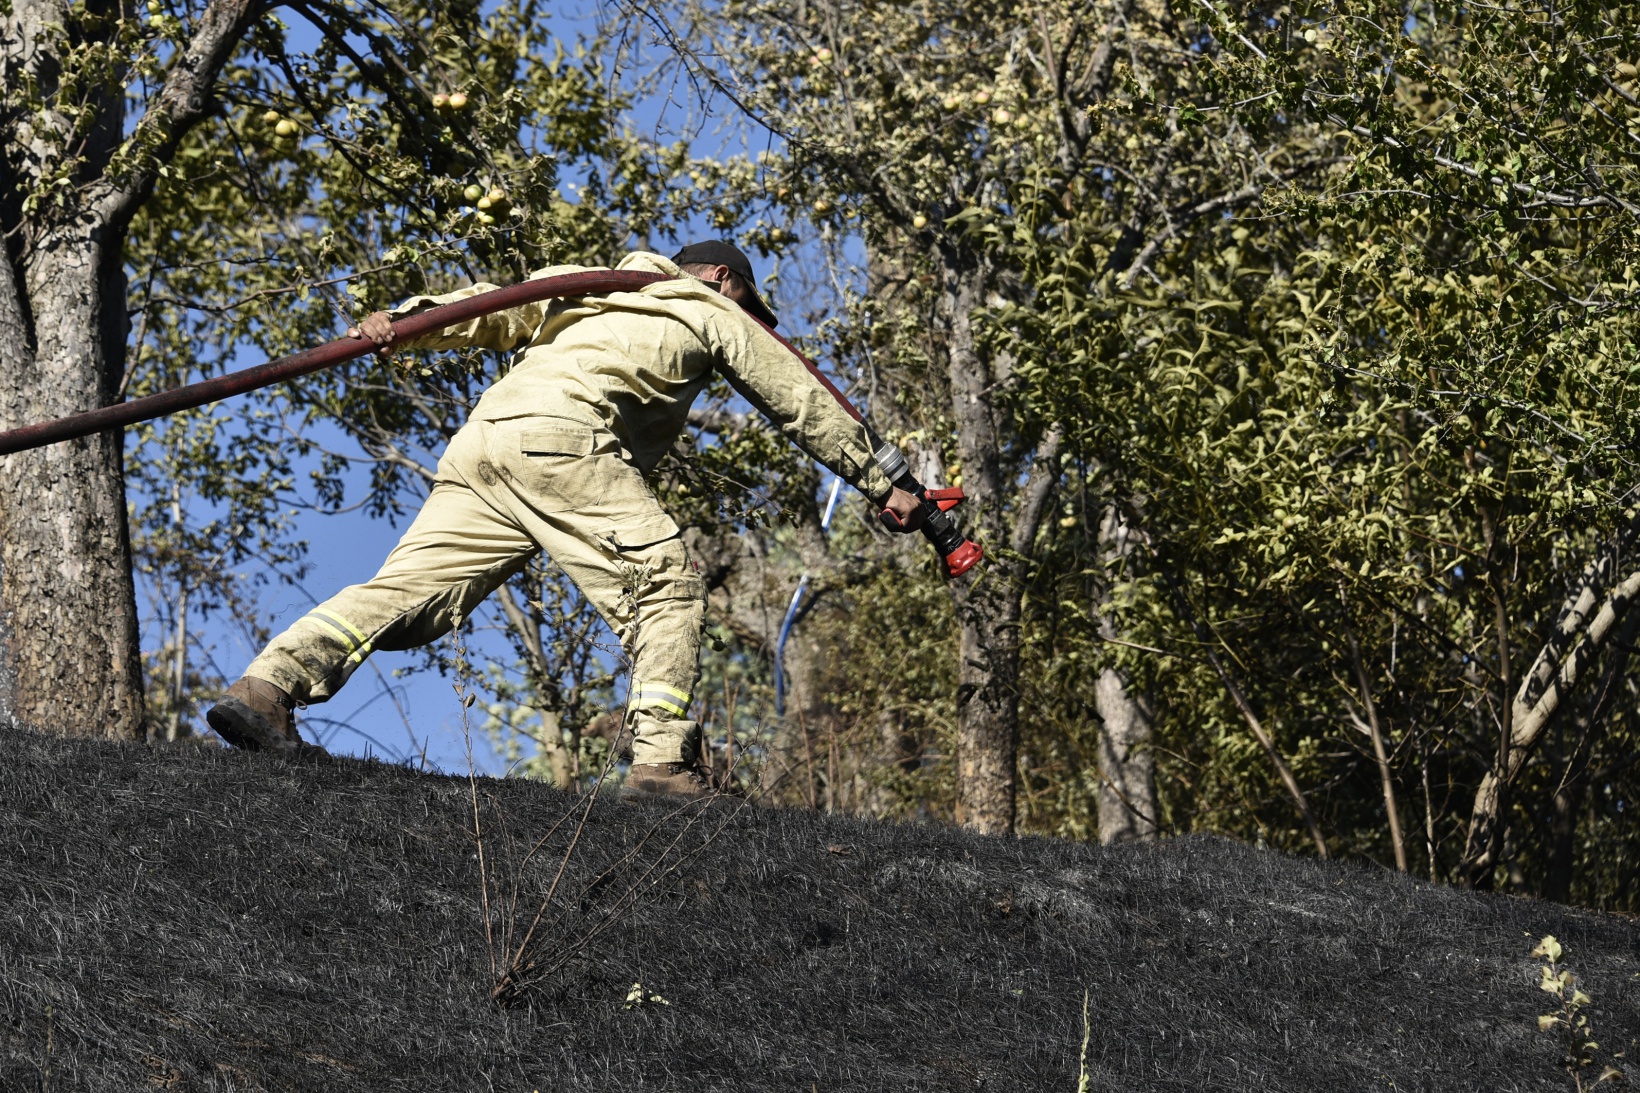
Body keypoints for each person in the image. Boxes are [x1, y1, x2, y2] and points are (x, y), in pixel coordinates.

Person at [206, 241, 919, 798]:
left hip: (486, 442)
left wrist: (406, 320)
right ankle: (663, 764)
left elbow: (492, 305)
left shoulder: (595, 283)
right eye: (746, 301)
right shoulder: (707, 307)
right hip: (564, 440)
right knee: (665, 586)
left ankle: (267, 687)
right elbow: (796, 394)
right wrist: (884, 480)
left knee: (410, 597)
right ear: (726, 281)